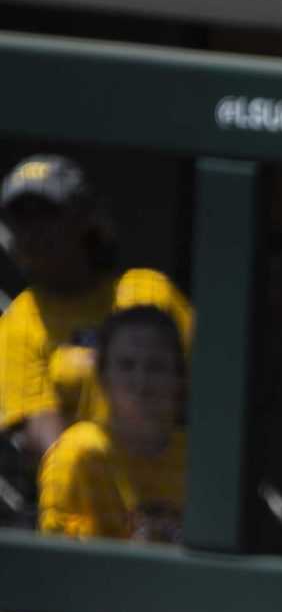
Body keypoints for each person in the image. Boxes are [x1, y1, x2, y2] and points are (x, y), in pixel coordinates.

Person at [0, 155, 194, 484]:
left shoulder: (148, 291)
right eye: (21, 219)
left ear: (85, 220)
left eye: (47, 215)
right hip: (83, 500)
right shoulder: (21, 320)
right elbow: (46, 441)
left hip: (171, 487)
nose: (32, 232)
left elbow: (212, 390)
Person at [37, 302, 187, 541]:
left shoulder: (196, 460)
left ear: (178, 378)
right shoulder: (77, 454)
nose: (142, 383)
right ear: (103, 378)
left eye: (156, 367)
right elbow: (60, 566)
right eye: (126, 366)